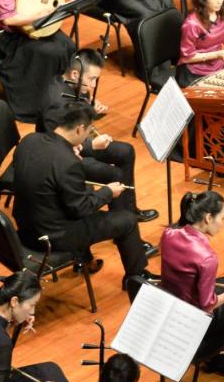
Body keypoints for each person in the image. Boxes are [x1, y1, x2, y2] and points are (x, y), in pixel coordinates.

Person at [13, 102, 158, 287]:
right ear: (79, 129)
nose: (87, 136)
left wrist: (68, 152)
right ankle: (137, 279)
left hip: (25, 226)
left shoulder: (29, 141)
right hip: (52, 236)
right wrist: (108, 192)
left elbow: (47, 170)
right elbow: (80, 209)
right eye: (89, 131)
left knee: (86, 190)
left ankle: (85, 259)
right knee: (127, 220)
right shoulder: (68, 162)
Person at [36, 48, 159, 223]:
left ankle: (129, 210)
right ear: (75, 74)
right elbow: (57, 145)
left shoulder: (72, 84)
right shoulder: (55, 103)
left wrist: (91, 110)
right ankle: (122, 222)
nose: (93, 85)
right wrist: (92, 145)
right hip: (62, 158)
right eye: (92, 79)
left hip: (80, 141)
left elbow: (76, 117)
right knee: (115, 174)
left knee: (126, 151)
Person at [161, 191, 224, 358]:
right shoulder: (207, 257)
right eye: (222, 218)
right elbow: (207, 305)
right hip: (192, 319)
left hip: (171, 305)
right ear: (208, 218)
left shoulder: (169, 233)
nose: (223, 224)